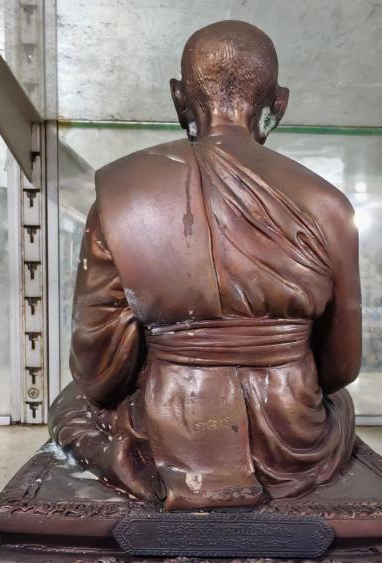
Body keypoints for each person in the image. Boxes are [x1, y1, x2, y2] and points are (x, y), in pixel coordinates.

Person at [49, 20, 361, 510]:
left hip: (167, 430)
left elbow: (97, 371)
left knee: (71, 405)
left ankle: (153, 471)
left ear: (179, 98)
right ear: (279, 104)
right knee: (340, 405)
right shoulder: (331, 206)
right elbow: (341, 368)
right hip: (295, 437)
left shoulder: (124, 192)